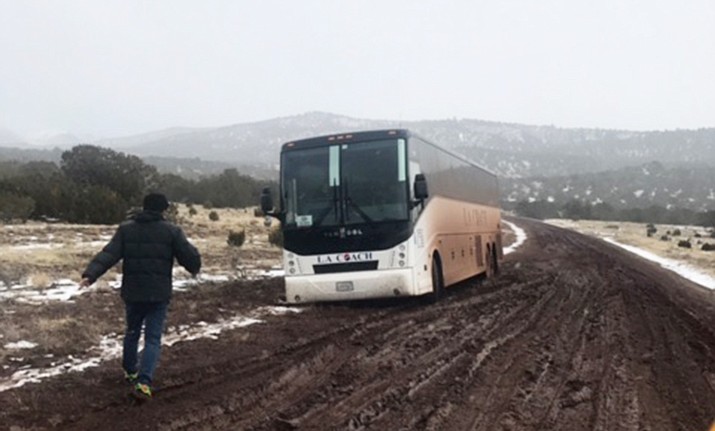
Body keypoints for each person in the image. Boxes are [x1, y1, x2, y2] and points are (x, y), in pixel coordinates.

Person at [80, 192, 201, 400]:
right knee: (153, 338)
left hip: (133, 292)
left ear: (143, 207)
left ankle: (129, 370)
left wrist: (90, 275)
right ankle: (144, 382)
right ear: (164, 209)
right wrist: (195, 266)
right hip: (158, 294)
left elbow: (108, 254)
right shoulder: (172, 231)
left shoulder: (126, 229)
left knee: (132, 331)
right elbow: (189, 258)